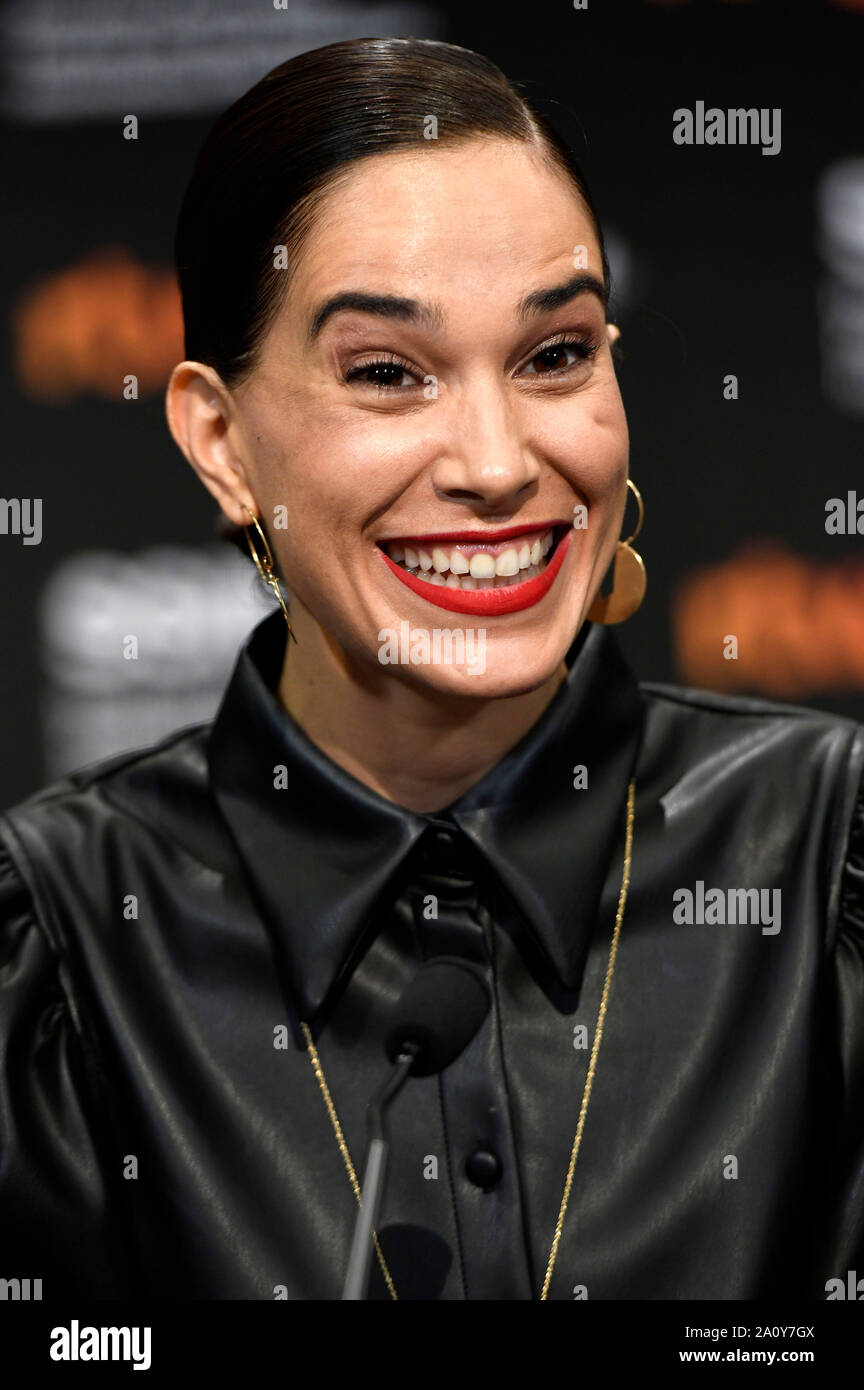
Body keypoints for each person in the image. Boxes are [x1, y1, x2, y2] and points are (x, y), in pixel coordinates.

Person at [1, 36, 862, 1302]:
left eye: (555, 354)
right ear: (222, 440)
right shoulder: (65, 944)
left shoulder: (825, 856)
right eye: (389, 374)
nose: (499, 461)